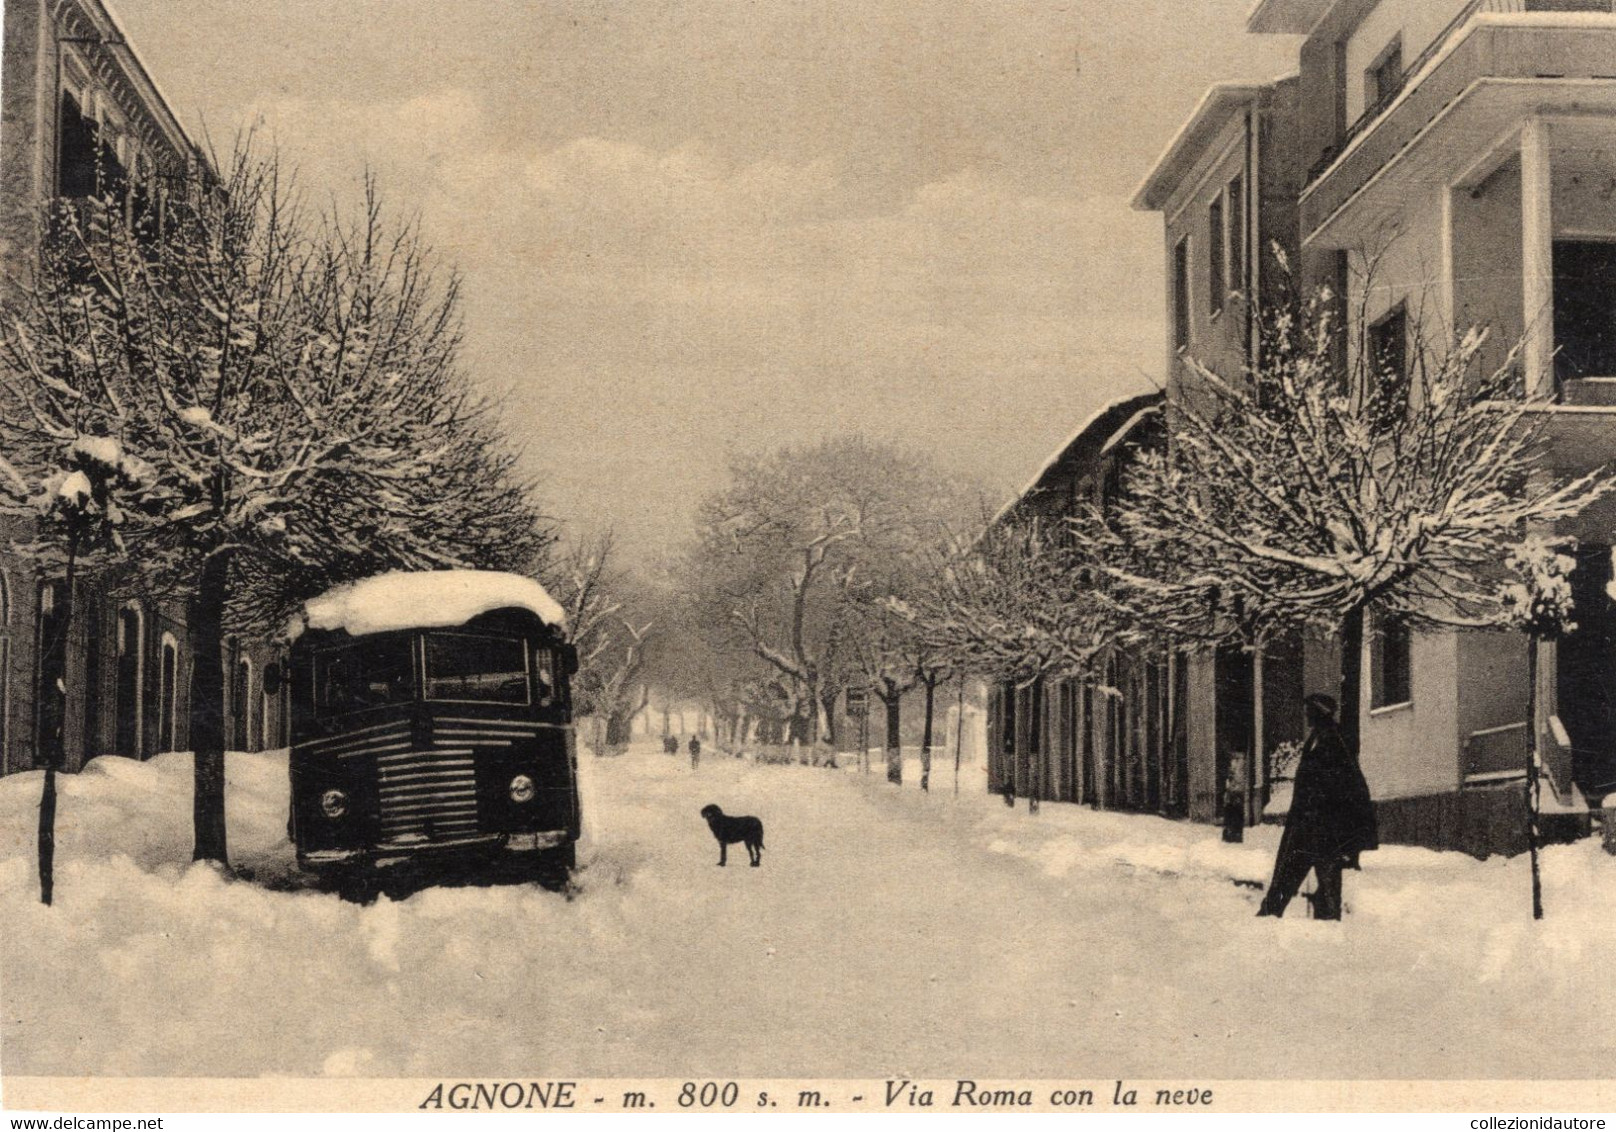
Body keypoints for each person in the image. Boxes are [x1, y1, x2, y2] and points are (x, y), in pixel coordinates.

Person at [1257, 693, 1378, 920]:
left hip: (1324, 825)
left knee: (1318, 872)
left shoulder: (1333, 739)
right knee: (1291, 868)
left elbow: (1343, 782)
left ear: (1319, 712)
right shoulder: (1317, 737)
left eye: (1309, 711)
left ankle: (1324, 918)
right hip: (1308, 822)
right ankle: (1272, 912)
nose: (1306, 716)